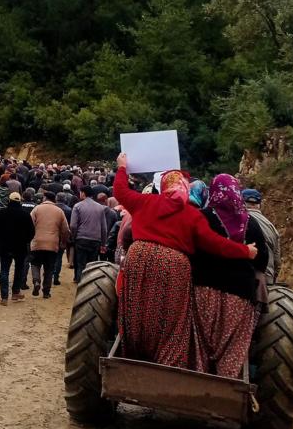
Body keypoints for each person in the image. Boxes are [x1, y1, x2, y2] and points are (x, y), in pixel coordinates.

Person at [113, 154, 257, 369]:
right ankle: (168, 362)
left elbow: (120, 192)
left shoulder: (145, 202)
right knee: (172, 320)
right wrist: (245, 250)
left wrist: (122, 168)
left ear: (163, 186)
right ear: (185, 188)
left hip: (139, 256)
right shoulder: (193, 215)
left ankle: (134, 350)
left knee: (136, 307)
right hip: (174, 265)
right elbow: (215, 243)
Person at [192, 175, 269, 378]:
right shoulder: (250, 224)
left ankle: (196, 379)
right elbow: (262, 261)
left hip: (202, 290)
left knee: (201, 340)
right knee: (232, 344)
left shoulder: (202, 217)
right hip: (239, 294)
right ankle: (226, 384)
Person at [0, 193, 35, 305]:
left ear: (9, 201)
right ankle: (15, 292)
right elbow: (31, 232)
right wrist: (26, 241)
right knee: (19, 269)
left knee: (4, 270)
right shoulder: (25, 215)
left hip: (4, 246)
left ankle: (4, 297)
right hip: (20, 247)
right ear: (19, 201)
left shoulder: (1, 213)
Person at [30, 192, 71, 298]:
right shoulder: (59, 211)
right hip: (52, 243)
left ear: (45, 198)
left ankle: (36, 281)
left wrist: (30, 239)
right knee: (49, 268)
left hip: (37, 242)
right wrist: (63, 242)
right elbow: (66, 229)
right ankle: (46, 291)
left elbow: (30, 225)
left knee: (35, 264)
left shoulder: (37, 209)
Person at [69, 186, 108, 284]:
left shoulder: (78, 206)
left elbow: (73, 225)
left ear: (83, 193)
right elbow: (104, 228)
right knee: (92, 265)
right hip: (96, 240)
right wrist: (103, 243)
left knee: (81, 263)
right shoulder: (100, 207)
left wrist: (73, 237)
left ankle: (80, 284)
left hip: (81, 238)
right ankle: (90, 284)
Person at [242, 189, 281, 285]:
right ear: (259, 205)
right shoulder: (271, 227)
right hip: (266, 279)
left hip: (243, 279)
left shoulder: (238, 221)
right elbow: (277, 261)